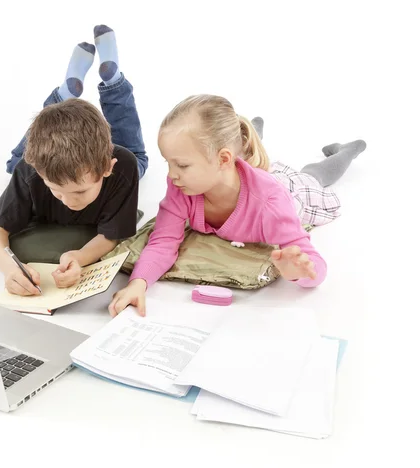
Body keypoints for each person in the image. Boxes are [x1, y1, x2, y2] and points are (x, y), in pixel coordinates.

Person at [108, 94, 366, 316]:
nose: (172, 174)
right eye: (169, 163)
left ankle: (348, 150)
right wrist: (137, 283)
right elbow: (162, 241)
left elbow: (315, 266)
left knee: (314, 174)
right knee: (246, 156)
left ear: (223, 158)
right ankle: (253, 131)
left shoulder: (271, 205)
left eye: (182, 165)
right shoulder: (182, 186)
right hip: (236, 171)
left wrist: (298, 272)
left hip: (292, 190)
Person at [0, 25, 148, 297]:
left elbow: (111, 235)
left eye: (80, 191)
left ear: (108, 168)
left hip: (116, 153)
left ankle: (112, 81)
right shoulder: (30, 171)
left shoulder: (122, 165)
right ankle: (66, 97)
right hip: (33, 164)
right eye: (55, 190)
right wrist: (10, 269)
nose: (69, 201)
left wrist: (80, 256)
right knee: (16, 161)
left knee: (138, 157)